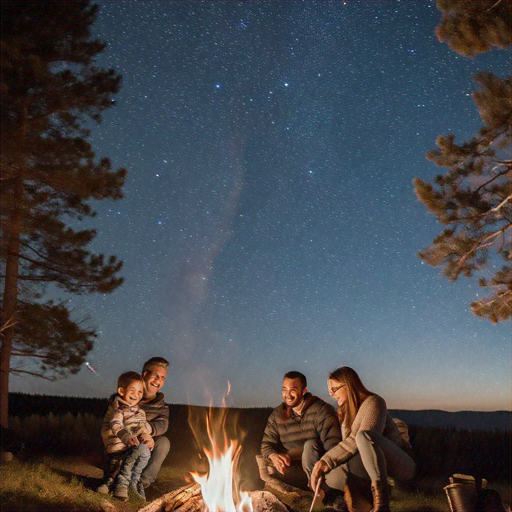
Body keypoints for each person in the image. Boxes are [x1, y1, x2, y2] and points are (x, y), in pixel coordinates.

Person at [310, 366, 416, 512]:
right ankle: (342, 502)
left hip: (399, 464)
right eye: (330, 390)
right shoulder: (344, 412)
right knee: (327, 472)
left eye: (334, 389)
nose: (331, 394)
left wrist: (327, 460)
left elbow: (357, 440)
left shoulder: (374, 402)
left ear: (349, 385)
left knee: (364, 436)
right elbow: (347, 449)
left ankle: (382, 505)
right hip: (365, 467)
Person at [257, 371, 342, 497]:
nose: (287, 395)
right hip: (292, 467)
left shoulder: (321, 410)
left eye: (293, 390)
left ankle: (320, 493)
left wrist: (322, 465)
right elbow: (267, 444)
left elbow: (333, 446)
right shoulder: (277, 415)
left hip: (319, 468)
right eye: (284, 389)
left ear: (304, 391)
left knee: (310, 445)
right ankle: (296, 494)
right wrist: (273, 455)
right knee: (262, 464)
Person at [98, 371, 152, 500]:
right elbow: (115, 424)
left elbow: (143, 426)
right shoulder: (119, 409)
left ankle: (132, 483)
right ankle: (111, 484)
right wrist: (126, 437)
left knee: (142, 455)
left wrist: (147, 435)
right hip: (118, 447)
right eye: (132, 391)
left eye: (140, 392)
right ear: (121, 391)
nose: (136, 395)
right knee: (117, 466)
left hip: (131, 447)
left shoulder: (140, 412)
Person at [138, 357, 171, 490]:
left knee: (163, 442)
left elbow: (162, 424)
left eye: (163, 378)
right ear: (145, 375)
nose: (158, 381)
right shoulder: (129, 395)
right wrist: (140, 432)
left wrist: (148, 431)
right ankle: (115, 476)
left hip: (147, 444)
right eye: (156, 376)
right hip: (124, 441)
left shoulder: (162, 406)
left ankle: (142, 483)